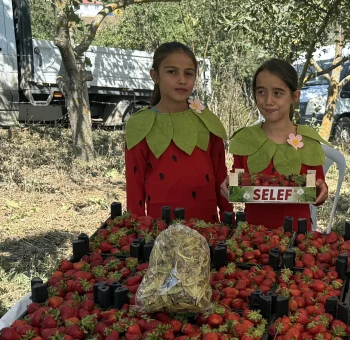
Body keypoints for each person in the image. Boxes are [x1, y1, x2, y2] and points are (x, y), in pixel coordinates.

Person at [125, 41, 231, 222]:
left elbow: (221, 178)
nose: (182, 79)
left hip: (208, 228)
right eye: (172, 71)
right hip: (161, 228)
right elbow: (134, 186)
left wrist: (229, 220)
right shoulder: (140, 125)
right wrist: (137, 231)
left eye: (188, 73)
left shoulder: (207, 121)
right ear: (155, 75)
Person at [229, 59, 328, 229]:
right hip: (254, 236)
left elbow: (317, 190)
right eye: (261, 92)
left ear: (295, 96)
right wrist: (229, 185)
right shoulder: (245, 139)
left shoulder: (308, 141)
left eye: (278, 93)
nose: (268, 101)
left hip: (298, 235)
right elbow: (237, 183)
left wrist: (321, 190)